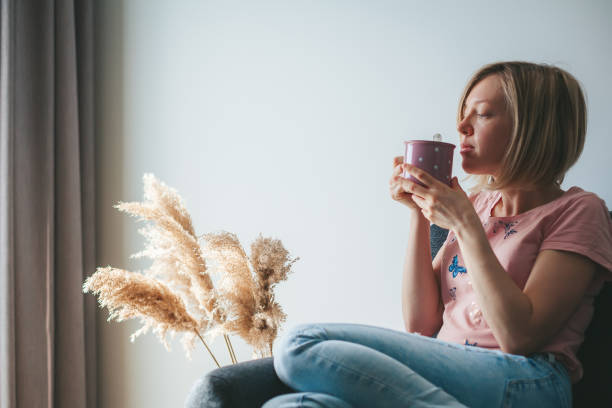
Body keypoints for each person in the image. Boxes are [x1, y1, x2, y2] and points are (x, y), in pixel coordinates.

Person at [261, 61, 612, 408]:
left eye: (483, 114)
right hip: (450, 366)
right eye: (463, 114)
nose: (462, 126)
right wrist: (419, 212)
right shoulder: (474, 205)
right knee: (293, 406)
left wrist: (464, 224)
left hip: (530, 379)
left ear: (533, 129)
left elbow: (520, 337)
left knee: (297, 344)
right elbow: (421, 322)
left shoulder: (579, 210)